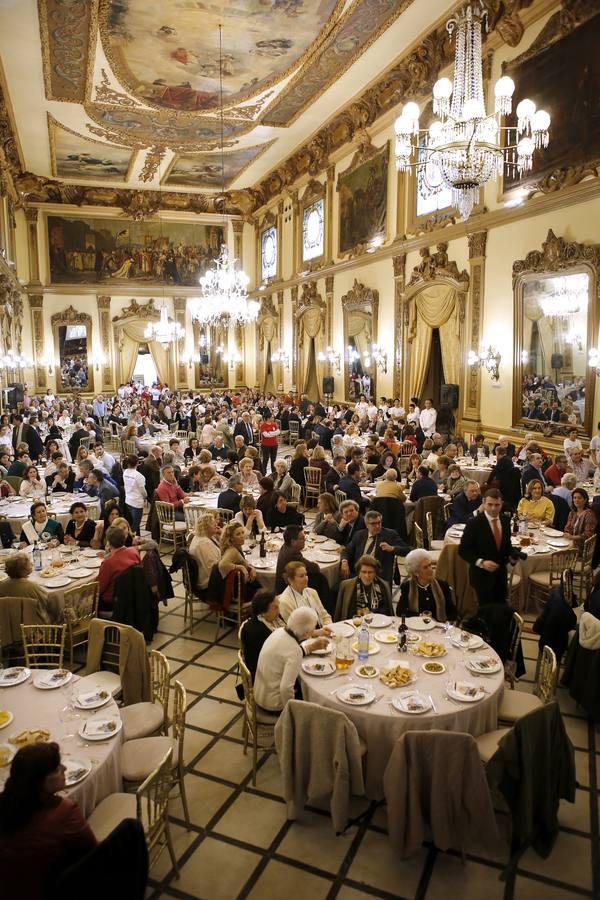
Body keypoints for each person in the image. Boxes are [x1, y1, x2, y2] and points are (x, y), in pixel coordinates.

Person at [0, 742, 97, 900]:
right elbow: (93, 854)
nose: (65, 768)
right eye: (58, 768)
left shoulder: (7, 805)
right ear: (40, 782)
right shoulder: (65, 812)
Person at [253, 607, 319, 713]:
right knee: (314, 705)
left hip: (259, 693)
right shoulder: (295, 650)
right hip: (273, 704)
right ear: (306, 633)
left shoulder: (278, 631)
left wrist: (311, 647)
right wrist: (291, 714)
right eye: (312, 630)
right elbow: (286, 689)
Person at [458, 488, 513, 608]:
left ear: (502, 504)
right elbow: (463, 550)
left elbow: (506, 545)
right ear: (483, 503)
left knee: (500, 609)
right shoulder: (474, 523)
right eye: (490, 504)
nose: (493, 508)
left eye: (497, 505)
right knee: (485, 611)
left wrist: (512, 556)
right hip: (481, 576)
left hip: (500, 575)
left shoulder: (505, 520)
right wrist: (481, 562)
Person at [340, 509, 408, 584]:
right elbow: (347, 550)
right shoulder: (359, 535)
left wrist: (392, 548)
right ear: (366, 525)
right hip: (359, 573)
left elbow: (407, 550)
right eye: (373, 524)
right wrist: (344, 561)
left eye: (379, 523)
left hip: (379, 576)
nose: (377, 526)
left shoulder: (390, 535)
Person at [397, 549, 455, 621]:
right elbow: (400, 612)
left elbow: (452, 612)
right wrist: (420, 616)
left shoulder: (442, 585)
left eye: (430, 565)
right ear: (416, 572)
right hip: (417, 626)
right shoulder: (407, 587)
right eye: (425, 567)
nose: (430, 569)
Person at [335, 554, 394, 620]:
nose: (367, 576)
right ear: (359, 572)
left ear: (375, 573)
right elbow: (338, 614)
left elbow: (389, 613)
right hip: (353, 625)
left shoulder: (384, 586)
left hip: (378, 624)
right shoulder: (346, 586)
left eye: (370, 572)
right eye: (364, 572)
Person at [278, 560, 332, 628]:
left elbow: (325, 616)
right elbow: (295, 630)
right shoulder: (285, 602)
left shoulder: (312, 592)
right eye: (301, 576)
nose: (306, 578)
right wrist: (319, 633)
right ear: (290, 580)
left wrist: (329, 627)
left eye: (306, 574)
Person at [97, 525, 141, 609]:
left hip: (114, 602)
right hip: (133, 595)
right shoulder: (133, 551)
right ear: (124, 538)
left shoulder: (108, 563)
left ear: (108, 542)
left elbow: (99, 588)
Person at [274, 525, 321, 594]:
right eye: (302, 538)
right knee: (321, 579)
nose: (304, 540)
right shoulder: (293, 554)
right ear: (293, 541)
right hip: (287, 592)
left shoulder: (286, 546)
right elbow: (315, 568)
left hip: (282, 587)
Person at [189, 513, 221, 593]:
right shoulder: (204, 543)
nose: (216, 524)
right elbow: (214, 568)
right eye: (213, 523)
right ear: (205, 527)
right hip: (208, 584)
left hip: (205, 577)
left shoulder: (201, 537)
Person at [122, 454, 147, 535]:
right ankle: (131, 540)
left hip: (128, 500)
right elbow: (143, 491)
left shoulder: (125, 472)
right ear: (137, 463)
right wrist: (145, 496)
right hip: (137, 502)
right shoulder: (139, 476)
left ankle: (137, 537)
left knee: (131, 522)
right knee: (135, 526)